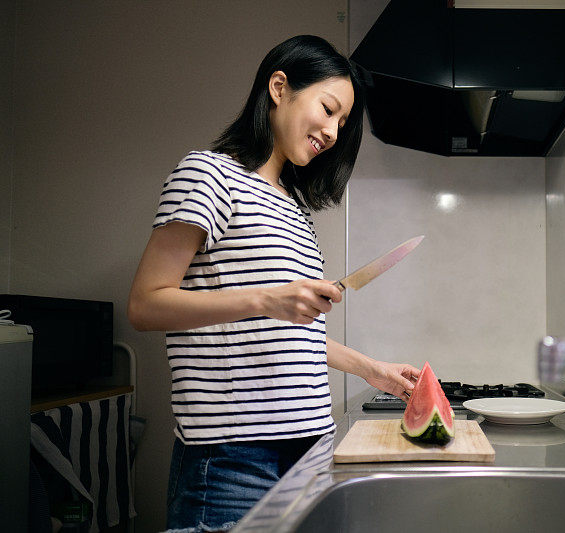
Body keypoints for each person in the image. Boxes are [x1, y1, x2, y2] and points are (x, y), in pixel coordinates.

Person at [127, 35, 420, 532]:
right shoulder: (207, 174)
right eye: (327, 110)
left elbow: (288, 333)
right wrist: (267, 298)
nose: (331, 132)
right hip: (233, 460)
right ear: (280, 87)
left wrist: (372, 370)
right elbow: (145, 305)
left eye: (342, 124)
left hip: (311, 449)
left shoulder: (294, 207)